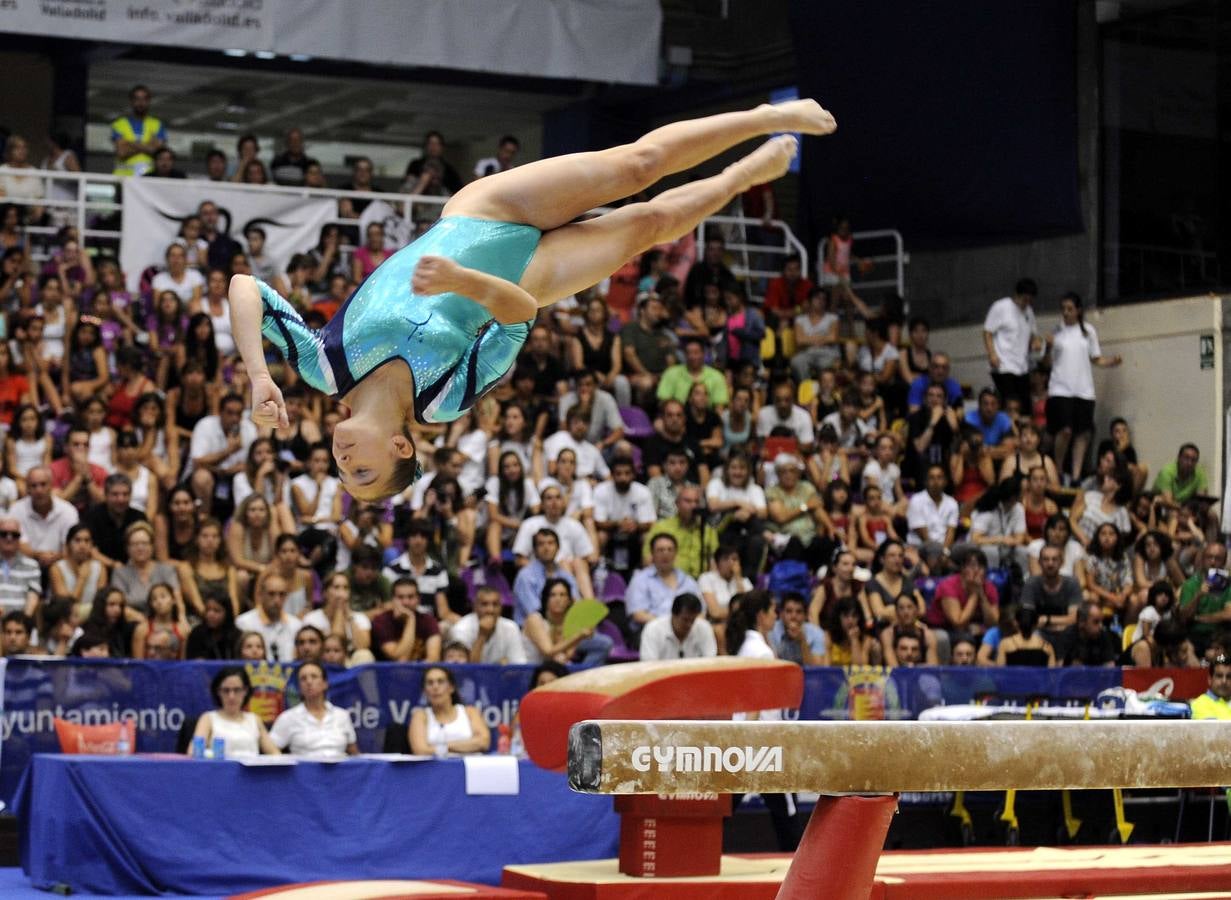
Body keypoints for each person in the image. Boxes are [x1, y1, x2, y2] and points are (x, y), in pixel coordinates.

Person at [230, 100, 836, 502]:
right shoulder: (442, 401)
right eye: (360, 471)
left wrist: (258, 374)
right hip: (529, 277)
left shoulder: (323, 364)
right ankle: (740, 179)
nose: (341, 460)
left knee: (636, 165)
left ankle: (767, 113)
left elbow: (244, 288)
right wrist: (465, 285)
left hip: (486, 213)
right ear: (400, 447)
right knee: (648, 223)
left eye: (342, 472)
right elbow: (519, 317)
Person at [1046, 292, 1122, 484]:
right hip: (1061, 389)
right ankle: (1059, 469)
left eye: (1070, 309)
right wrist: (1047, 347)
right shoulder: (1056, 332)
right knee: (1065, 431)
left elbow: (1096, 358)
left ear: (1078, 310)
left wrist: (1111, 361)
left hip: (1083, 390)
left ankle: (1076, 475)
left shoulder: (1088, 331)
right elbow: (1046, 362)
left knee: (1083, 434)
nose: (1066, 312)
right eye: (1063, 309)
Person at [269, 662, 359, 758]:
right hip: (304, 772)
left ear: (325, 684)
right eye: (303, 679)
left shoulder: (342, 715)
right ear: (299, 687)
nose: (309, 682)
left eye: (314, 677)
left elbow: (354, 754)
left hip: (341, 771)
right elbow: (270, 750)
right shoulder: (288, 718)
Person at [522, 577, 613, 666]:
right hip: (530, 669)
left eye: (562, 595)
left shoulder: (567, 621)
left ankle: (585, 674)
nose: (558, 599)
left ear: (569, 600)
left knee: (605, 643)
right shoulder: (535, 619)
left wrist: (578, 638)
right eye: (552, 595)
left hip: (551, 669)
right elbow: (548, 651)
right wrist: (578, 636)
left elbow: (568, 654)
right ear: (546, 599)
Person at [192, 667, 280, 757]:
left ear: (245, 691)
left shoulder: (254, 719)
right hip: (219, 769)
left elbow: (275, 753)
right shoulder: (208, 719)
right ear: (218, 692)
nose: (231, 696)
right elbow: (193, 753)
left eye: (237, 690)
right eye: (226, 690)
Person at [625, 533, 702, 635]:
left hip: (686, 631)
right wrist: (671, 626)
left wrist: (682, 625)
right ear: (652, 554)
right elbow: (638, 615)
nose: (665, 554)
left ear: (675, 553)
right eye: (660, 550)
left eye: (670, 550)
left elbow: (701, 613)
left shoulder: (688, 580)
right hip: (650, 631)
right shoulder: (640, 579)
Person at [983, 277, 1038, 414]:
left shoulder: (1029, 312)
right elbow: (987, 332)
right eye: (1024, 299)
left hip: (1022, 366)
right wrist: (992, 354)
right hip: (1003, 365)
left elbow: (1032, 335)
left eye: (1030, 300)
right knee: (1010, 403)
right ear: (1016, 294)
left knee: (1025, 407)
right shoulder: (1001, 307)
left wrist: (1036, 342)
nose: (1026, 303)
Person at [408, 665, 490, 756]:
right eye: (430, 683)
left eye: (441, 681)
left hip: (470, 768)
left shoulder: (470, 712)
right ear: (425, 691)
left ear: (451, 687)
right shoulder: (420, 716)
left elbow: (483, 742)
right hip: (434, 769)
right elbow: (420, 750)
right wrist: (466, 745)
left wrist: (443, 748)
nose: (435, 687)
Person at [451, 584, 528, 664]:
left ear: (501, 607)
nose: (490, 610)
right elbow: (465, 669)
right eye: (484, 604)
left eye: (495, 604)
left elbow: (519, 664)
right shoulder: (461, 629)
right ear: (475, 607)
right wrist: (481, 635)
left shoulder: (511, 627)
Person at [1021, 544, 1083, 642]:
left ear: (1062, 562)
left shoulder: (1072, 583)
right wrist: (1058, 622)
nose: (1050, 563)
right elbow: (1027, 618)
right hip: (1039, 633)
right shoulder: (1031, 583)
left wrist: (1047, 620)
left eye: (1054, 559)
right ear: (1039, 562)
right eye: (1046, 559)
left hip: (1067, 632)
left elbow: (1074, 618)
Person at [235, 573, 302, 662]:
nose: (277, 600)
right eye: (271, 594)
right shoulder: (243, 623)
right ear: (260, 595)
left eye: (282, 594)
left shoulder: (296, 625)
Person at [370, 578, 441, 662]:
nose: (405, 602)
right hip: (389, 672)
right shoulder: (381, 621)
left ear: (418, 599)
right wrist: (410, 619)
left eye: (410, 597)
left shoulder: (429, 621)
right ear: (392, 599)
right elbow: (399, 659)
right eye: (400, 597)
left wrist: (410, 618)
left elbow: (433, 658)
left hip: (421, 671)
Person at [1179, 542, 1231, 655]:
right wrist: (1199, 595)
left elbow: (1228, 615)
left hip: (1220, 637)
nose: (1212, 562)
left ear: (1223, 562)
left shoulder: (1229, 584)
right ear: (1203, 559)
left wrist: (1198, 618)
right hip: (1194, 637)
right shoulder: (1190, 584)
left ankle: (1218, 664)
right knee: (1186, 651)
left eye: (1217, 558)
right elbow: (1183, 617)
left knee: (1220, 658)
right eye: (1209, 557)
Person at [639, 592, 717, 660]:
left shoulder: (704, 627)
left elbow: (711, 661)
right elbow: (648, 665)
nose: (689, 625)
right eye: (685, 620)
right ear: (673, 614)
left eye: (693, 620)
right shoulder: (653, 629)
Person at [110, 85, 166, 177]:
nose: (140, 103)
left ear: (149, 102)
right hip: (123, 178)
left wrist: (130, 143)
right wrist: (148, 146)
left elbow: (158, 153)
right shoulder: (119, 124)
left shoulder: (157, 125)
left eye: (144, 99)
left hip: (149, 178)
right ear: (131, 101)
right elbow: (121, 153)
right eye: (137, 99)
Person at [0, 516, 41, 617]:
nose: (9, 538)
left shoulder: (32, 565)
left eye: (14, 535)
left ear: (20, 538)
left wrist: (22, 623)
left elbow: (33, 597)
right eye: (4, 534)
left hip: (19, 623)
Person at [771, 592, 826, 665]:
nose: (793, 616)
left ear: (805, 615)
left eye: (799, 612)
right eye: (789, 611)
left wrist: (802, 641)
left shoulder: (817, 633)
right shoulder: (771, 630)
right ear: (781, 614)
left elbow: (816, 669)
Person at [1059, 602, 1119, 667]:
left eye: (1101, 621)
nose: (1100, 626)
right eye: (1096, 622)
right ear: (1081, 622)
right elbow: (1059, 669)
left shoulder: (1103, 635)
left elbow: (1110, 667)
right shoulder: (1067, 636)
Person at [186, 595, 241, 660]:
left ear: (227, 613)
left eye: (216, 611)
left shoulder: (236, 634)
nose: (210, 614)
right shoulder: (197, 633)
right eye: (208, 610)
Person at [1188, 654, 1231, 719]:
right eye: (1219, 676)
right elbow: (1217, 728)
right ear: (1210, 679)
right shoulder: (1200, 704)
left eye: (1229, 676)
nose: (1224, 681)